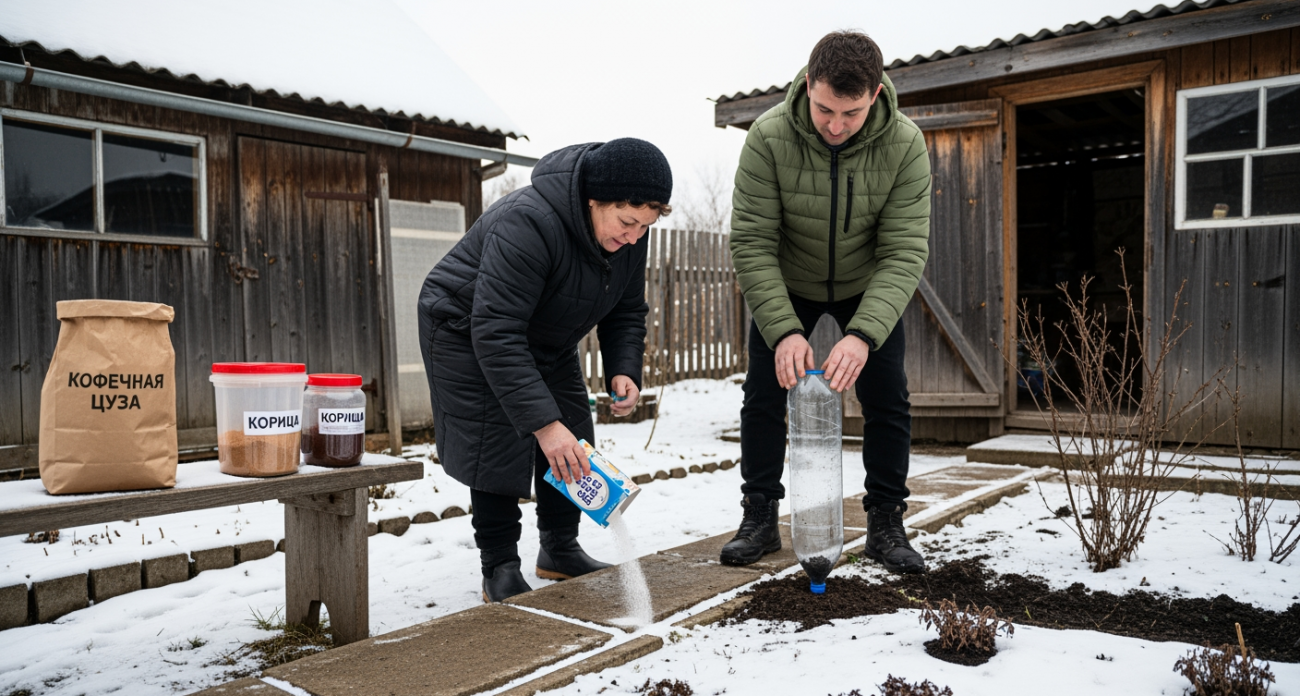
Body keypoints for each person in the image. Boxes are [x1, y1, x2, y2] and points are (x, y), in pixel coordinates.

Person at [417, 139, 672, 602]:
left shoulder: (631, 236)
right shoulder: (529, 221)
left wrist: (623, 368)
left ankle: (559, 549)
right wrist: (541, 425)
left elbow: (627, 308)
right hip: (464, 327)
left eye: (645, 226)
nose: (634, 236)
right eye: (627, 222)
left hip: (542, 335)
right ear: (594, 199)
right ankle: (499, 567)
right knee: (494, 438)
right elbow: (495, 330)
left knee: (572, 431)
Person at [724, 31, 931, 574]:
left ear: (876, 97)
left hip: (867, 281)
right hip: (788, 277)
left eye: (852, 113)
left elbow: (905, 250)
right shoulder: (768, 137)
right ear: (808, 83)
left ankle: (887, 522)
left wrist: (863, 334)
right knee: (764, 392)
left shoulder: (906, 144)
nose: (836, 126)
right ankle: (760, 516)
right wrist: (783, 329)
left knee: (888, 396)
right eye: (824, 110)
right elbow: (751, 241)